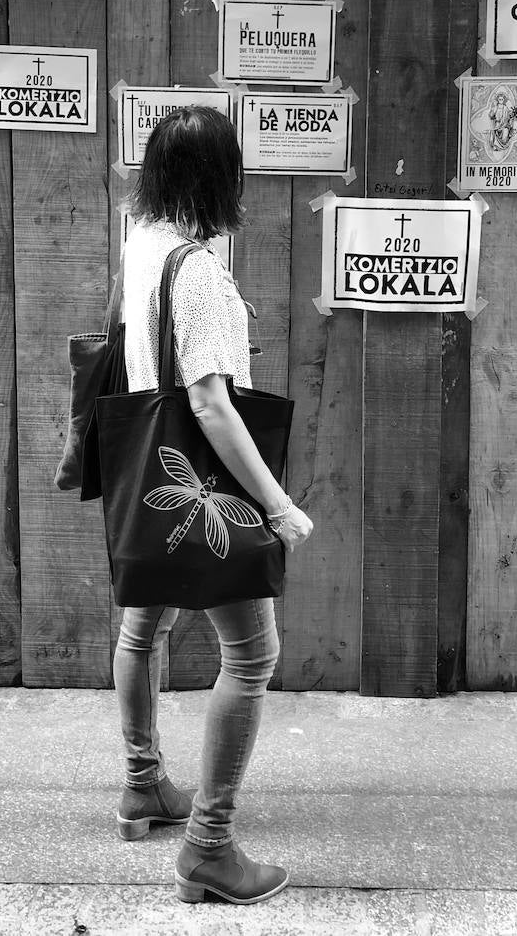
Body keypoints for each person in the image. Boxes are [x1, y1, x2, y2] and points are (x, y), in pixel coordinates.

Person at [112, 104, 314, 906]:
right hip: (205, 491)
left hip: (151, 485)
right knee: (252, 657)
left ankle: (143, 789)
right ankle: (209, 846)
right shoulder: (192, 268)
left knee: (143, 629)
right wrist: (276, 505)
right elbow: (209, 402)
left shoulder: (140, 245)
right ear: (217, 177)